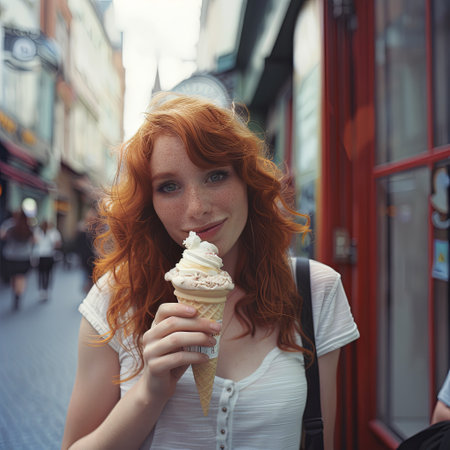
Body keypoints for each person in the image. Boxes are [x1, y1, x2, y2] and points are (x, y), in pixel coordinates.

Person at [62, 93, 360, 450]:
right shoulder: (116, 296)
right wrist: (148, 393)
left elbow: (320, 441)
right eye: (169, 186)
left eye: (216, 175)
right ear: (149, 202)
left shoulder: (315, 291)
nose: (197, 208)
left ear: (247, 182)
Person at [0, 209, 35, 310]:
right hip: (24, 256)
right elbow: (35, 240)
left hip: (11, 256)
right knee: (21, 278)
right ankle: (18, 296)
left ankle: (15, 293)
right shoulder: (29, 226)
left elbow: (2, 236)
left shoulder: (9, 224)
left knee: (14, 277)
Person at [33, 220, 62, 301]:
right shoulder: (38, 232)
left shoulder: (53, 232)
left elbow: (58, 243)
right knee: (42, 274)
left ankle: (45, 290)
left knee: (46, 274)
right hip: (41, 255)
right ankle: (43, 290)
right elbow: (34, 241)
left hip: (48, 255)